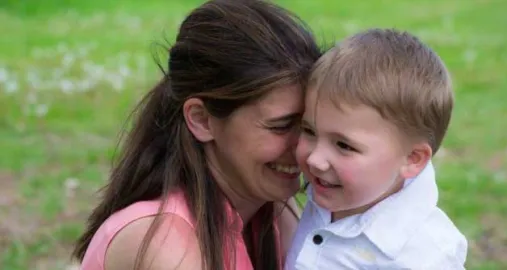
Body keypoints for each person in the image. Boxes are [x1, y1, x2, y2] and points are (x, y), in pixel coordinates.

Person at [71, 0, 322, 269]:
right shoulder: (163, 241)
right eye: (281, 126)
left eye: (309, 127)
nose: (305, 149)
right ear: (202, 120)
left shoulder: (272, 210)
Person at [285, 28, 468, 269]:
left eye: (344, 145)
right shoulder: (332, 193)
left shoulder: (424, 256)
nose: (315, 160)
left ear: (412, 159)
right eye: (309, 131)